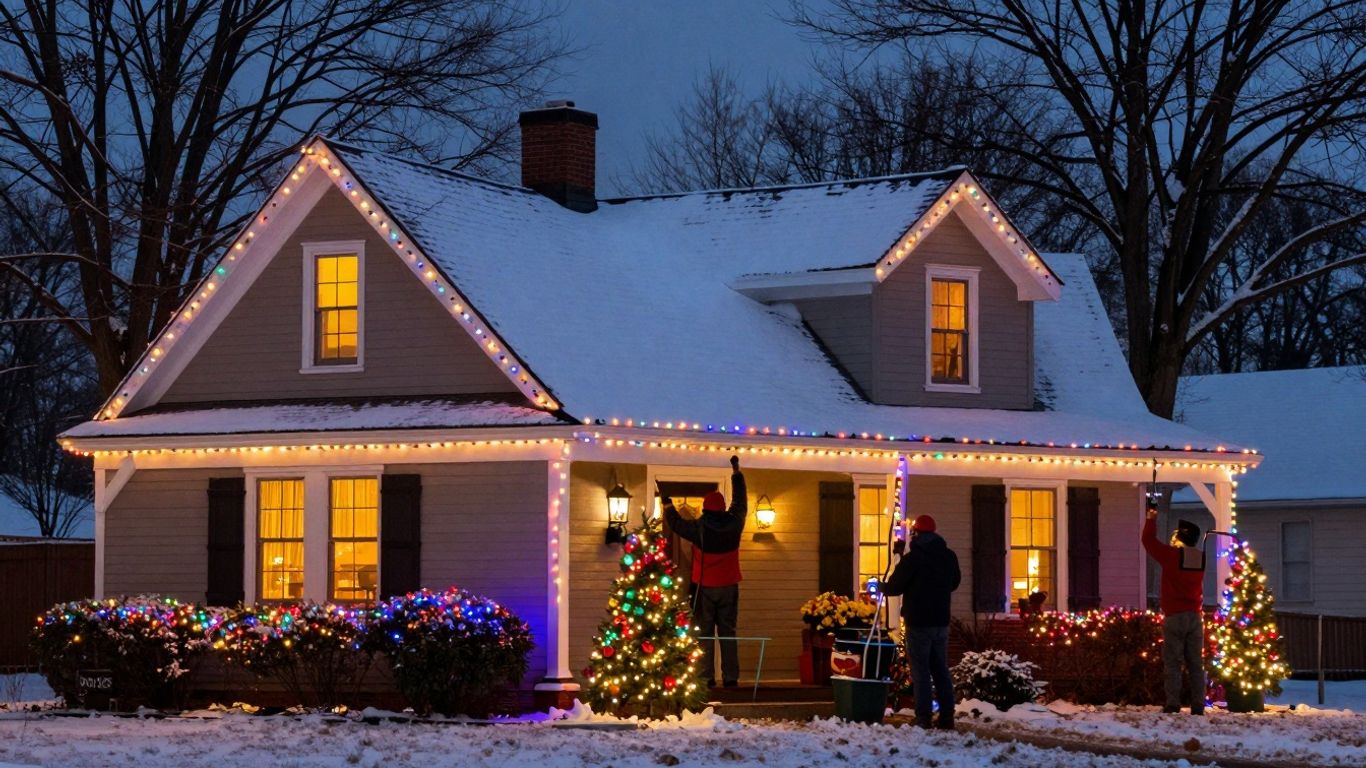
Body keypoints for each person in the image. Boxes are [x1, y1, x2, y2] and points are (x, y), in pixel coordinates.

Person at [662, 455, 747, 688]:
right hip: (729, 586)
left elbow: (676, 524)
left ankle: (706, 678)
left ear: (705, 508)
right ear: (722, 507)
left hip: (704, 587)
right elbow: (740, 501)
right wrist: (736, 473)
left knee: (705, 633)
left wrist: (668, 505)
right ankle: (731, 678)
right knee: (728, 632)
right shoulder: (735, 523)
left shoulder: (698, 528)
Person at [879, 514, 962, 730]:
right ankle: (947, 716)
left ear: (915, 534)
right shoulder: (948, 556)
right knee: (940, 669)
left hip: (918, 622)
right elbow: (954, 583)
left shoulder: (913, 558)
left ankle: (924, 717)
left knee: (921, 670)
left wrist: (881, 586)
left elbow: (895, 586)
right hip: (941, 621)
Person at [1142, 505, 1206, 714]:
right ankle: (1198, 704)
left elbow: (1148, 541)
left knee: (1172, 662)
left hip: (1175, 616)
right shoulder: (1200, 558)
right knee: (1195, 663)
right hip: (1195, 616)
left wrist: (1151, 518)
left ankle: (1173, 703)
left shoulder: (1171, 556)